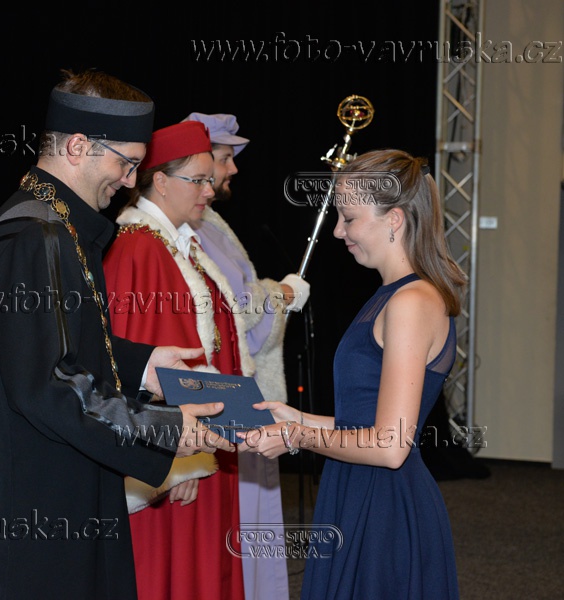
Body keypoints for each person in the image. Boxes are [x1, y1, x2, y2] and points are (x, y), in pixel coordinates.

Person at [0, 69, 235, 600]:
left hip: (48, 488)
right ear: (78, 146)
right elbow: (47, 384)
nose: (130, 181)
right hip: (21, 514)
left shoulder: (60, 225)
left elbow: (58, 345)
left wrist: (144, 367)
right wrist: (161, 428)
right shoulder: (33, 233)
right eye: (126, 163)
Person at [240, 149, 464, 599]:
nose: (339, 231)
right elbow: (365, 421)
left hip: (383, 506)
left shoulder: (410, 302)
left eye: (349, 218)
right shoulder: (391, 295)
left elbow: (389, 446)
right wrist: (298, 417)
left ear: (394, 220)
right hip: (360, 487)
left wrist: (297, 436)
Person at [102, 119, 246, 600]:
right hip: (179, 456)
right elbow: (131, 362)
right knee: (173, 575)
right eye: (198, 179)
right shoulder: (138, 248)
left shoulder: (178, 243)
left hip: (203, 439)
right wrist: (174, 463)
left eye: (210, 178)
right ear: (161, 181)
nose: (210, 190)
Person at [181, 111, 310, 600]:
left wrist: (274, 294)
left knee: (250, 519)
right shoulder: (190, 227)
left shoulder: (211, 221)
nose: (233, 168)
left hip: (243, 387)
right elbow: (233, 310)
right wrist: (282, 293)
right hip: (224, 397)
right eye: (224, 157)